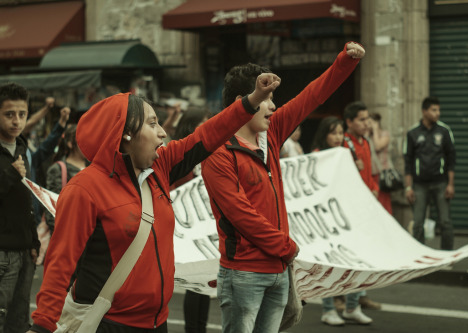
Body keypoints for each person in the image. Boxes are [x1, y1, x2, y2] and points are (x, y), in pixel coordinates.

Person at [27, 73, 279, 333]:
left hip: (157, 323)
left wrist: (253, 100)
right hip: (107, 324)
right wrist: (43, 325)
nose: (163, 132)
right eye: (152, 123)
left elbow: (208, 134)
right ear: (125, 133)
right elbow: (60, 264)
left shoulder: (160, 166)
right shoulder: (84, 189)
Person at [201, 42, 365, 333]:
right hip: (244, 275)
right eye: (267, 98)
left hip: (279, 270)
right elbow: (241, 215)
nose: (274, 106)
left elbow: (312, 96)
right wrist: (286, 247)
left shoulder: (272, 134)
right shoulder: (218, 152)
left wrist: (345, 62)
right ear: (246, 100)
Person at [0, 82, 41, 333]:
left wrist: (34, 241)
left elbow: (27, 201)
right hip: (2, 252)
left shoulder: (23, 148)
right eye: (9, 114)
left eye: (22, 114)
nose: (16, 121)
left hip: (25, 251)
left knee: (18, 323)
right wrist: (10, 175)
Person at [170, 106, 213, 333]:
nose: (208, 127)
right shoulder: (178, 154)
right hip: (186, 226)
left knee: (204, 281)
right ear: (190, 125)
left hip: (205, 224)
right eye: (203, 122)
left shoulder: (206, 152)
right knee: (194, 285)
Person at [341, 101, 382, 324]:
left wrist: (374, 189)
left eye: (368, 119)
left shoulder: (365, 142)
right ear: (349, 122)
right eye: (362, 119)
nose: (367, 123)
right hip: (350, 210)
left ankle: (354, 302)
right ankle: (337, 302)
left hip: (365, 207)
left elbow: (370, 174)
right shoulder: (344, 145)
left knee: (363, 257)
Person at [403, 97, 456, 250]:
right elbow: (408, 161)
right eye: (434, 110)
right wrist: (408, 188)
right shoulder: (413, 133)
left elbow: (451, 159)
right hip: (419, 185)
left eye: (438, 110)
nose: (437, 113)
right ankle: (420, 258)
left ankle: (448, 258)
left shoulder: (444, 131)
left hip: (441, 183)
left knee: (445, 222)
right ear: (424, 111)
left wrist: (450, 184)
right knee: (418, 223)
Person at [310, 116, 347, 326]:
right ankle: (328, 308)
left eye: (341, 133)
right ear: (324, 135)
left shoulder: (343, 155)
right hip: (324, 220)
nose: (338, 137)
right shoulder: (317, 156)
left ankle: (352, 306)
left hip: (341, 217)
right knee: (328, 264)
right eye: (334, 133)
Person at [44, 124, 88, 233]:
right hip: (68, 234)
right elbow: (52, 208)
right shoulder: (58, 170)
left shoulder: (94, 168)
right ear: (70, 143)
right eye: (84, 140)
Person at [367, 112, 393, 214]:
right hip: (370, 172)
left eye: (370, 122)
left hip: (382, 173)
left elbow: (378, 146)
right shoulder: (366, 136)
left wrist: (375, 130)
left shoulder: (384, 134)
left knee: (383, 202)